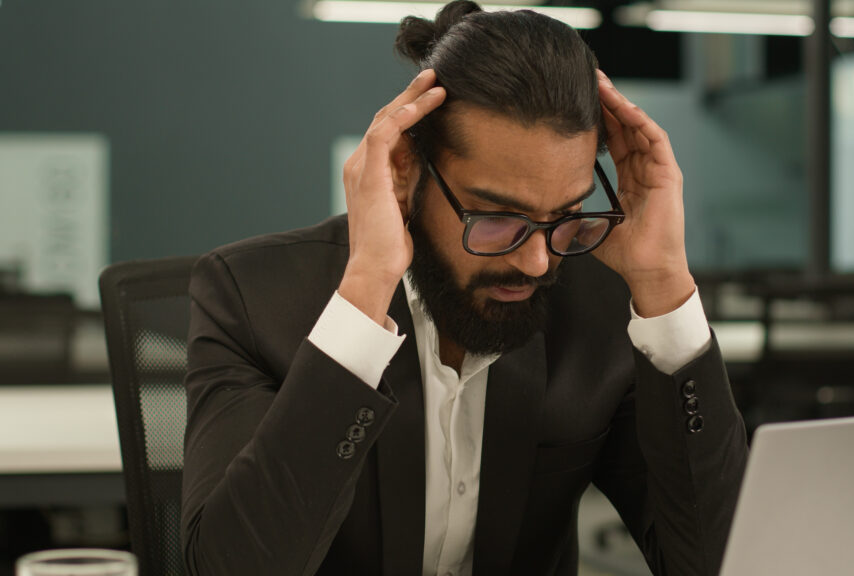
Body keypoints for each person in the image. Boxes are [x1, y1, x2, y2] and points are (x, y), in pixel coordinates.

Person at [180, 2, 748, 575]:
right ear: (406, 169)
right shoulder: (252, 299)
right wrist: (366, 291)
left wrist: (663, 283)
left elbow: (719, 564)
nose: (535, 262)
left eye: (566, 215)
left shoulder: (604, 305)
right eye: (497, 218)